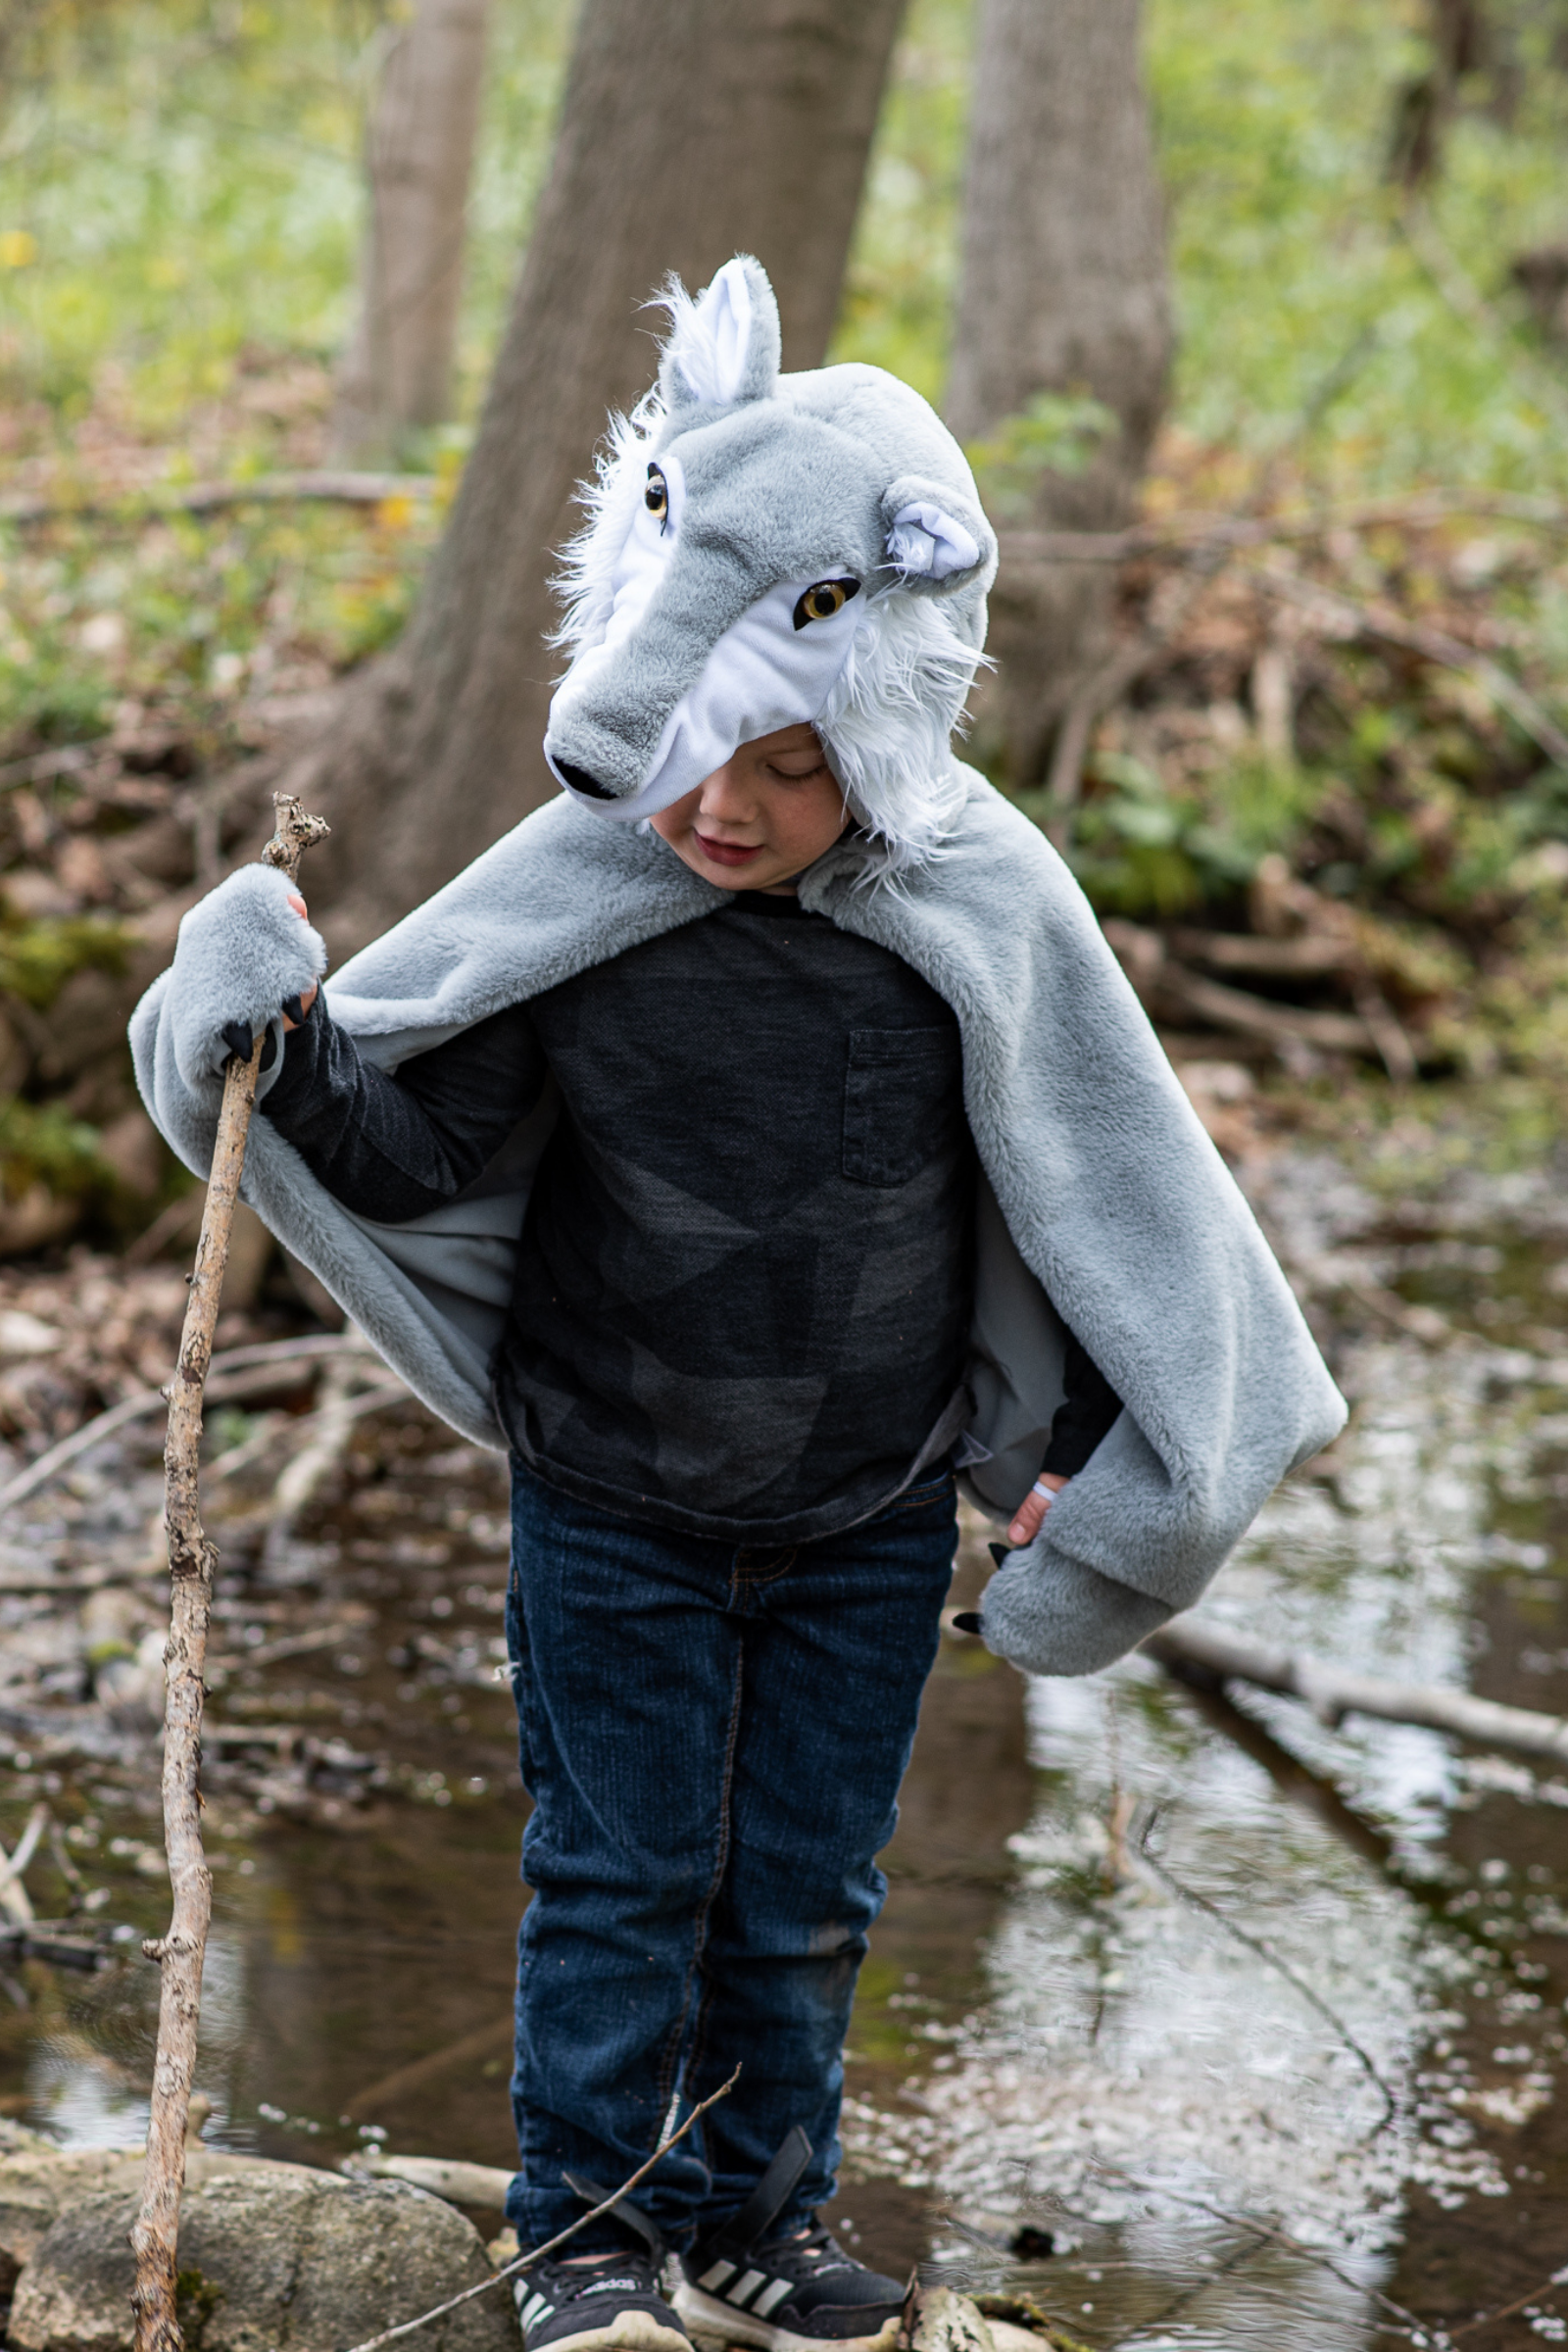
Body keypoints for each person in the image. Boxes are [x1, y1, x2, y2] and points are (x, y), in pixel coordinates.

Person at [132, 257, 1345, 2352]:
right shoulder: (586, 897)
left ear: (879, 717)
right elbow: (426, 1156)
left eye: (781, 766)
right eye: (692, 755)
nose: (721, 809)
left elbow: (1068, 1207)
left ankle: (756, 2223)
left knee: (797, 1899)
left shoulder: (973, 911)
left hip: (866, 1512)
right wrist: (278, 1031)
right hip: (609, 1493)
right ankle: (587, 2231)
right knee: (618, 1884)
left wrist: (1074, 1466)